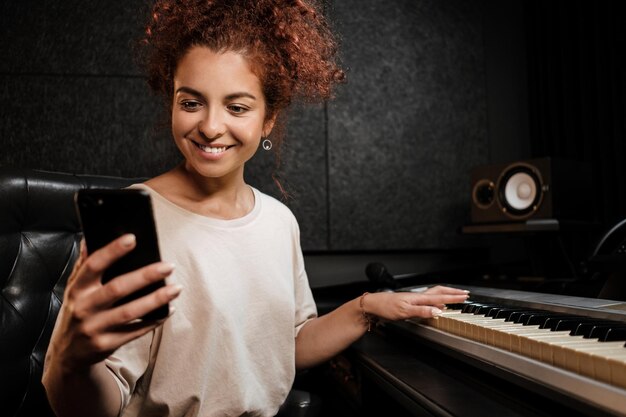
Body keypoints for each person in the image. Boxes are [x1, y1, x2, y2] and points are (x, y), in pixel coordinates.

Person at [42, 1, 470, 416]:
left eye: (237, 107)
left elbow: (290, 345)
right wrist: (71, 362)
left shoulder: (279, 222)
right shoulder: (137, 221)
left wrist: (366, 307)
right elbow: (91, 407)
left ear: (268, 119)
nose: (210, 126)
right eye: (190, 102)